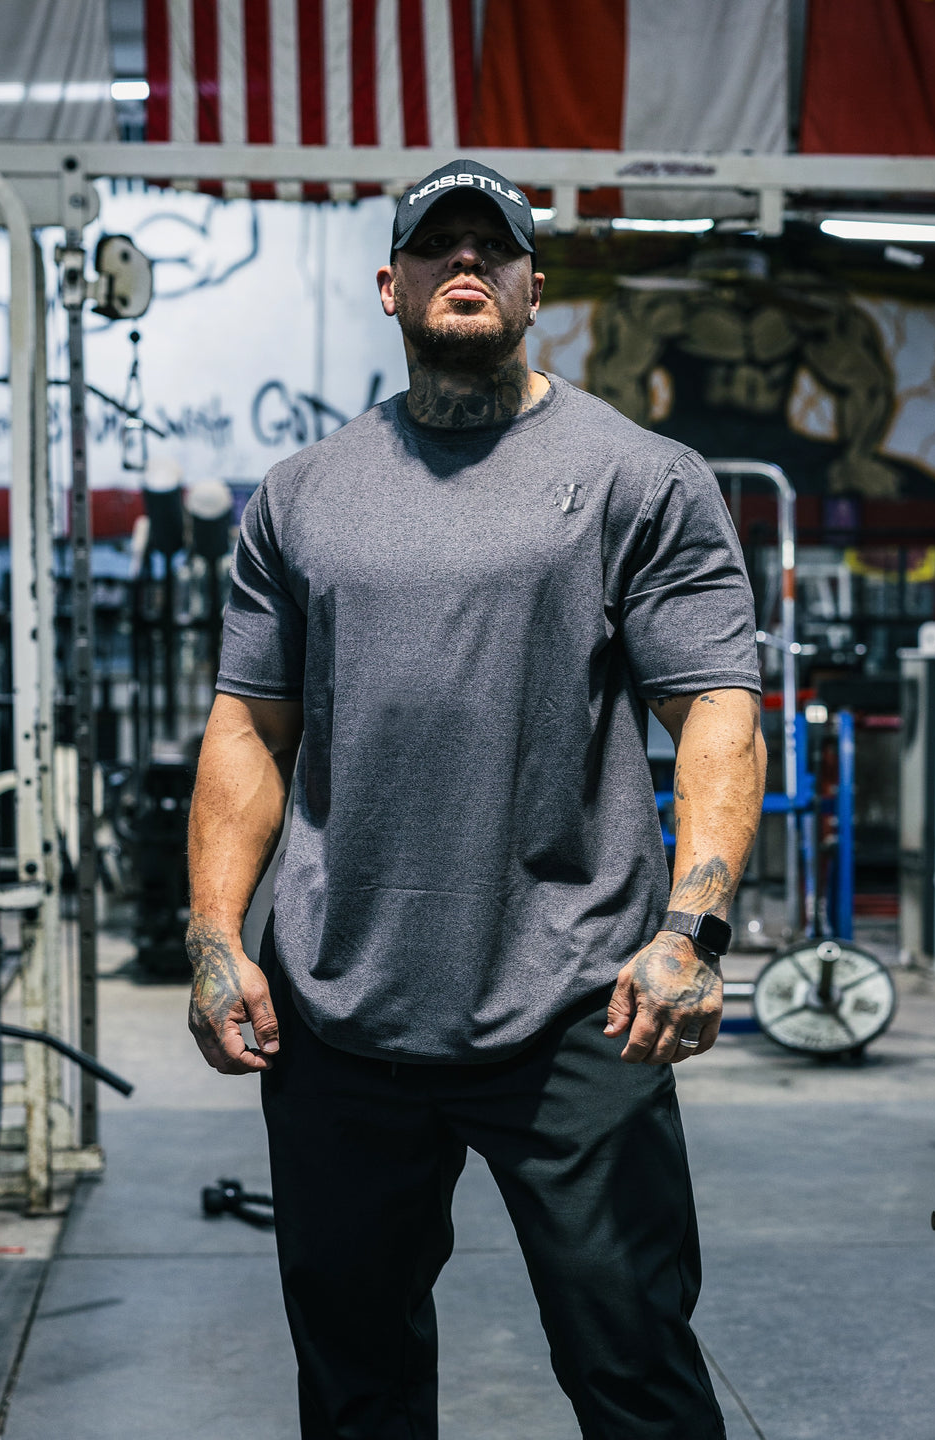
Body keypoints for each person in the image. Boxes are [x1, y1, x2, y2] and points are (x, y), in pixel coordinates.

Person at [186, 158, 767, 1440]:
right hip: (341, 1011)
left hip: (577, 1006)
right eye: (437, 247)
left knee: (633, 1364)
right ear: (389, 286)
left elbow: (715, 705)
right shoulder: (300, 496)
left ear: (532, 287)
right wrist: (219, 935)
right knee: (354, 1379)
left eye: (490, 249)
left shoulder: (639, 477)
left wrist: (693, 930)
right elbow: (247, 724)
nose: (467, 264)